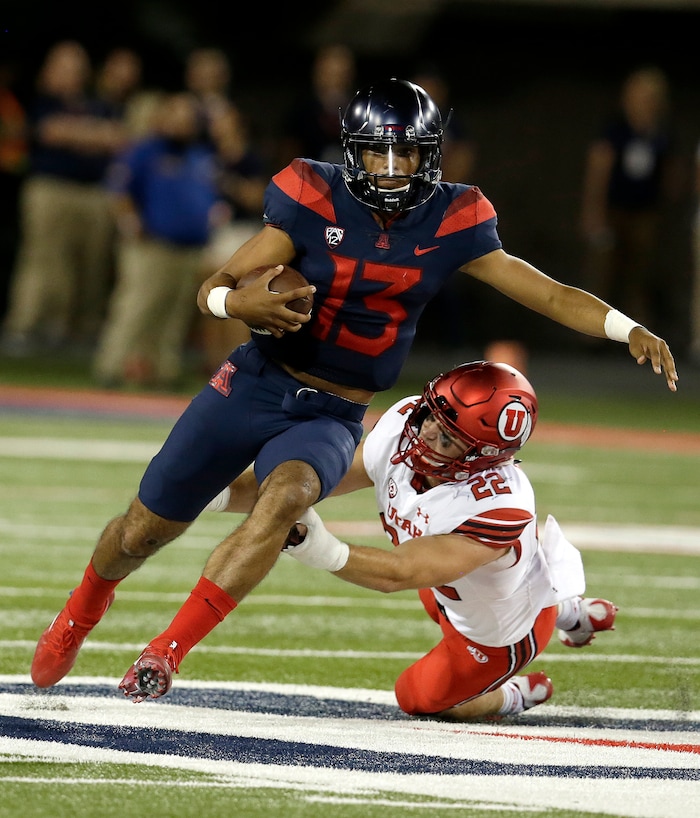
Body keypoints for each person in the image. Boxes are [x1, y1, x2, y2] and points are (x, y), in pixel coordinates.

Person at [30, 78, 676, 704]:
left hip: (335, 410)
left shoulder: (454, 220)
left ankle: (166, 651)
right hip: (255, 382)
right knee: (144, 529)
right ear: (351, 150)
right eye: (378, 152)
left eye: (408, 154)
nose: (393, 169)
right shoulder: (312, 198)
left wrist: (627, 327)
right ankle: (81, 611)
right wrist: (239, 301)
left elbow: (549, 292)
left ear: (432, 156)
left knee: (284, 502)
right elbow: (214, 285)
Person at [209, 361, 618, 719]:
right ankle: (570, 610)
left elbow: (400, 573)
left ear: (481, 458)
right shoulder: (407, 424)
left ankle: (512, 692)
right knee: (441, 590)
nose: (425, 436)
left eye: (447, 439)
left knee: (417, 697)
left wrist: (314, 545)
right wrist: (207, 493)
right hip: (458, 585)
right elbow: (306, 484)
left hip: (500, 633)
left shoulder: (498, 506)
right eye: (432, 416)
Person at [0, 40, 128, 355]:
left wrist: (79, 133)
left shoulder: (95, 103)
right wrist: (94, 135)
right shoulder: (40, 100)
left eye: (77, 67)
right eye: (64, 66)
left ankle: (77, 334)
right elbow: (50, 132)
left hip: (94, 194)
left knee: (91, 266)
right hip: (50, 189)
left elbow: (118, 138)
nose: (71, 73)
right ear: (49, 70)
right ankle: (25, 328)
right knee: (44, 261)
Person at [92, 92, 221, 389]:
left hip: (190, 248)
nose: (182, 123)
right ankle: (111, 366)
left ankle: (163, 371)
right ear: (163, 118)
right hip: (151, 246)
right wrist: (130, 223)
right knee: (137, 307)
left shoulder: (199, 155)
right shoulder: (145, 151)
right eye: (176, 116)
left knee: (174, 314)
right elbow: (119, 190)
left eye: (188, 118)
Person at [579, 66, 681, 339]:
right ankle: (592, 336)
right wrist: (594, 213)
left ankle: (639, 335)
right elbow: (599, 170)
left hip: (646, 214)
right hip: (614, 211)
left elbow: (670, 173)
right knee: (602, 272)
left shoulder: (661, 134)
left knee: (640, 274)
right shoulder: (615, 130)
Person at [276, 43, 357, 169]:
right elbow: (288, 153)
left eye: (340, 75)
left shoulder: (359, 112)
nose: (335, 81)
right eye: (329, 74)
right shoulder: (301, 112)